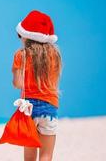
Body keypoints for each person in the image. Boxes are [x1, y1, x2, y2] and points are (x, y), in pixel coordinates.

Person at [12, 10, 63, 161]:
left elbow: (17, 84)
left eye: (20, 34)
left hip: (28, 109)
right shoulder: (55, 55)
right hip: (49, 108)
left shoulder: (21, 55)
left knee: (29, 158)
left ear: (26, 36)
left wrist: (14, 72)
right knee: (46, 156)